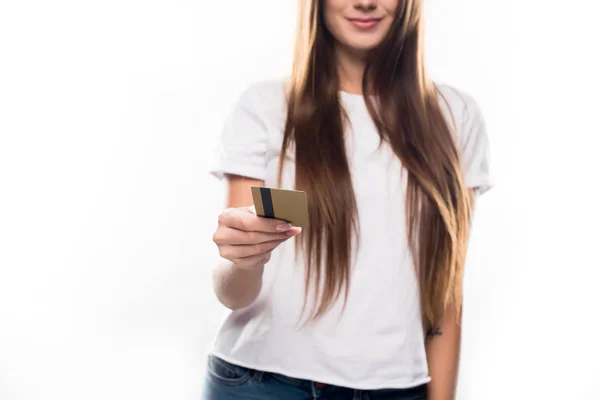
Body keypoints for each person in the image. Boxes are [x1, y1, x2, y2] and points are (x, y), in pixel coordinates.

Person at [204, 0, 492, 398]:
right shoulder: (266, 108)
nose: (366, 2)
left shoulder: (454, 116)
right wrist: (243, 258)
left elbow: (445, 293)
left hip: (396, 389)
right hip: (262, 383)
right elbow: (235, 295)